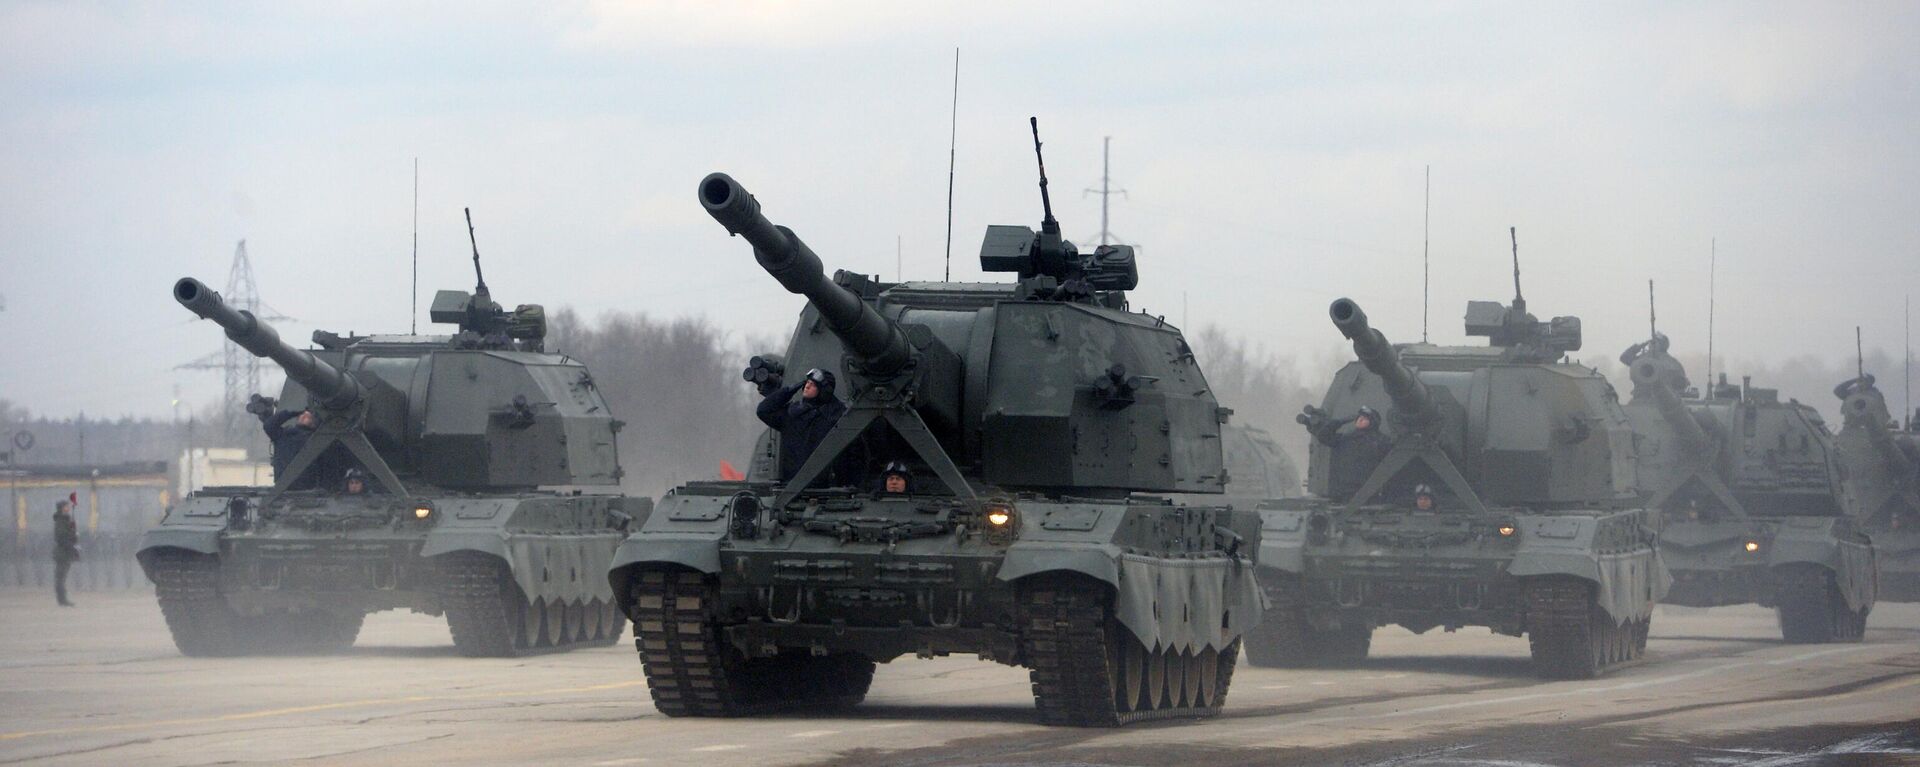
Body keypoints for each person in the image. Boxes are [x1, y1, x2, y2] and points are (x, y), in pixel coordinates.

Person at [757, 368, 854, 487]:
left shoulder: (834, 417)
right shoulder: (792, 414)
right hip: (792, 486)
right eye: (806, 383)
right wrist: (788, 390)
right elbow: (763, 411)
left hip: (826, 487)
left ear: (823, 391)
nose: (807, 386)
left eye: (812, 384)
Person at [51, 498, 79, 607]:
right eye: (66, 506)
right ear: (62, 508)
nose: (68, 508)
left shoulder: (65, 520)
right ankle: (62, 600)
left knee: (62, 577)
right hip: (62, 553)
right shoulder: (61, 521)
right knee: (60, 577)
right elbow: (60, 537)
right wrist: (71, 543)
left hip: (66, 552)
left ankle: (63, 599)